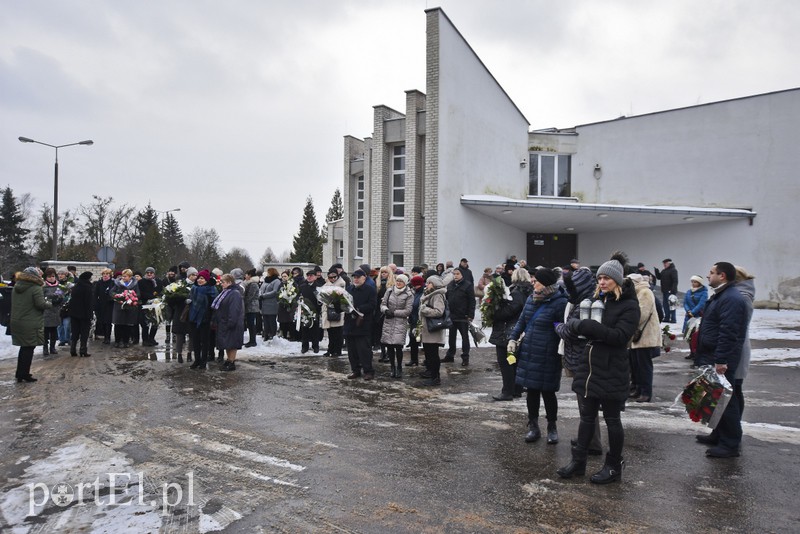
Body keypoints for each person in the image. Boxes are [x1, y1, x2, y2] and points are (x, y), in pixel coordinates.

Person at [557, 252, 640, 484]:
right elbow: (583, 326)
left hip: (612, 368)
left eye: (607, 278)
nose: (602, 282)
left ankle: (613, 466)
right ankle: (579, 461)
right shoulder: (599, 300)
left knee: (612, 420)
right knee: (586, 417)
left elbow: (620, 337)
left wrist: (589, 327)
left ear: (618, 280)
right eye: (600, 278)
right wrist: (577, 326)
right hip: (590, 366)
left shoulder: (630, 305)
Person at [694, 262, 749, 458]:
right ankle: (718, 434)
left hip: (720, 357)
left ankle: (730, 444)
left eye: (712, 272)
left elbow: (728, 332)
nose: (708, 276)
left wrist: (721, 359)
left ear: (722, 276)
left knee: (727, 401)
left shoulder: (731, 298)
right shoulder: (722, 295)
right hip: (712, 354)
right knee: (715, 399)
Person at [507, 267, 567, 444]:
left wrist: (556, 329)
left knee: (548, 393)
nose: (533, 283)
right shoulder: (531, 299)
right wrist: (512, 338)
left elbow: (562, 327)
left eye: (537, 281)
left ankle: (552, 427)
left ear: (546, 284)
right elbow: (522, 322)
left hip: (549, 354)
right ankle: (533, 426)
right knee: (532, 392)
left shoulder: (560, 302)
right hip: (529, 352)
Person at [556, 266, 603, 455]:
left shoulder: (587, 304)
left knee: (586, 404)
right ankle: (587, 437)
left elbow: (572, 331)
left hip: (583, 359)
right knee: (585, 404)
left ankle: (592, 442)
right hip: (580, 358)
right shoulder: (582, 301)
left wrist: (558, 326)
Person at [489, 267, 533, 401]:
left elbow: (508, 311)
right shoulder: (529, 291)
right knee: (515, 361)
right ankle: (516, 389)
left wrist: (493, 312)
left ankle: (507, 391)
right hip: (518, 331)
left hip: (507, 331)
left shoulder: (516, 292)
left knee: (505, 362)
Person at [11, 267, 53, 382]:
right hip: (30, 321)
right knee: (29, 348)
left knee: (24, 347)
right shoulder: (35, 288)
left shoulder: (17, 286)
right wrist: (50, 303)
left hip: (17, 320)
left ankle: (20, 373)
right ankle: (24, 374)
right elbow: (40, 304)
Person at [627, 273, 662, 403]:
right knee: (636, 365)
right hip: (639, 336)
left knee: (644, 366)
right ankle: (638, 389)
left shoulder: (645, 292)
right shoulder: (637, 293)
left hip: (646, 336)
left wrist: (628, 321)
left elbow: (641, 314)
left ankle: (646, 392)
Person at [344, 269, 377, 380]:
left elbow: (372, 305)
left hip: (363, 323)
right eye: (354, 277)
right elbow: (344, 303)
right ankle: (355, 370)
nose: (356, 279)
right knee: (352, 350)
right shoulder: (349, 289)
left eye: (358, 277)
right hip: (350, 323)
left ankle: (368, 371)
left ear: (364, 278)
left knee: (364, 350)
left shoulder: (370, 289)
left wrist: (358, 308)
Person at [380, 273, 414, 378]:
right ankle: (392, 367)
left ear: (405, 283)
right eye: (397, 281)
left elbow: (408, 311)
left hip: (400, 323)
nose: (398, 283)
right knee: (389, 346)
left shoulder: (409, 294)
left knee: (398, 347)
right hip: (388, 321)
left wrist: (394, 313)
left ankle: (399, 367)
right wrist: (385, 310)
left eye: (401, 281)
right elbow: (383, 304)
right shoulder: (389, 291)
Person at [418, 275, 447, 386]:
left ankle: (435, 377)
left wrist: (424, 310)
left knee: (433, 354)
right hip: (427, 329)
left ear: (435, 284)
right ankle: (431, 373)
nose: (427, 284)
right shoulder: (429, 294)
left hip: (433, 329)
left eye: (429, 283)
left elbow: (439, 311)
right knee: (429, 353)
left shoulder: (437, 295)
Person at [443, 267, 475, 366]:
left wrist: (470, 314)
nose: (455, 276)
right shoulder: (450, 285)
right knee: (451, 337)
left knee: (464, 337)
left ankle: (465, 357)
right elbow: (447, 298)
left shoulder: (467, 285)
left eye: (457, 274)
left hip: (463, 316)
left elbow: (472, 301)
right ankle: (450, 355)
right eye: (454, 274)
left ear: (462, 275)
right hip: (452, 315)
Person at [212, 273, 245, 371]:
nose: (221, 284)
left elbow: (234, 309)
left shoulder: (234, 293)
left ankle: (231, 361)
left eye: (223, 282)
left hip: (231, 322)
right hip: (224, 321)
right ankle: (229, 360)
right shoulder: (226, 292)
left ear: (229, 282)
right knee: (227, 343)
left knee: (232, 343)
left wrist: (231, 322)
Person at [187, 270, 218, 370]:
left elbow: (215, 305)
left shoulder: (212, 290)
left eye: (202, 278)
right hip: (194, 318)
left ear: (207, 280)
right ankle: (197, 360)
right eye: (199, 278)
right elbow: (190, 300)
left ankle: (203, 361)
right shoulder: (194, 288)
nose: (199, 280)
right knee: (195, 340)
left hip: (205, 318)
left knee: (205, 341)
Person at [109, 269, 141, 348]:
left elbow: (138, 294)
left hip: (129, 307)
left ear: (130, 277)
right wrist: (118, 296)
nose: (123, 278)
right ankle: (117, 341)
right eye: (123, 276)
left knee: (127, 325)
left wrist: (132, 296)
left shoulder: (134, 284)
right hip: (119, 306)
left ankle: (126, 341)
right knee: (118, 325)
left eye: (125, 276)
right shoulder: (118, 284)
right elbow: (112, 292)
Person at [683, 275, 708, 363]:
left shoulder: (704, 292)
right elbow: (685, 303)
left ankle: (697, 352)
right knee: (689, 334)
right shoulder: (688, 292)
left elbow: (701, 304)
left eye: (695, 282)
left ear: (699, 283)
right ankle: (692, 352)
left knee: (696, 335)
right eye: (692, 281)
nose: (693, 283)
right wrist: (688, 311)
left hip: (698, 316)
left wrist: (693, 312)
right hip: (689, 316)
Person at [68, 271, 94, 357]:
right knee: (84, 332)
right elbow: (88, 302)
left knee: (74, 332)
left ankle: (73, 349)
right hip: (84, 314)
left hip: (74, 313)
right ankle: (83, 350)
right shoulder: (88, 287)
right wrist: (90, 314)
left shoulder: (76, 287)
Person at [321, 269, 346, 357]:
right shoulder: (326, 284)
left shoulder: (341, 284)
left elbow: (342, 296)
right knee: (330, 332)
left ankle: (337, 350)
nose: (332, 279)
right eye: (330, 277)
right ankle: (330, 349)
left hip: (337, 310)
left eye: (334, 277)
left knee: (338, 332)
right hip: (328, 310)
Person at [138, 267, 162, 346]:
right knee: (145, 324)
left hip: (155, 305)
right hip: (144, 304)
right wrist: (150, 297)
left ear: (154, 274)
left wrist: (157, 298)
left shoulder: (158, 281)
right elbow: (140, 293)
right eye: (147, 273)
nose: (149, 274)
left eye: (151, 273)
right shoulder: (141, 282)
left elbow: (160, 291)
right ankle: (145, 339)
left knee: (155, 323)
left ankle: (152, 338)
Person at [298, 270, 322, 354]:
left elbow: (321, 299)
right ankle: (305, 346)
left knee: (315, 329)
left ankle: (315, 346)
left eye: (311, 275)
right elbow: (298, 297)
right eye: (308, 275)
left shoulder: (318, 287)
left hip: (315, 310)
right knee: (304, 329)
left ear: (315, 277)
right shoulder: (302, 286)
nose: (309, 277)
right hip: (304, 311)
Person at [41, 268, 62, 355]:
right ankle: (45, 347)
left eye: (53, 276)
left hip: (56, 312)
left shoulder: (59, 286)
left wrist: (60, 300)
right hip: (46, 312)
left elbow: (61, 296)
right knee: (46, 331)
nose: (51, 278)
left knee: (54, 331)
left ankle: (52, 347)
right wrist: (51, 301)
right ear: (46, 277)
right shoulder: (43, 287)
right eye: (49, 276)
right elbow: (41, 299)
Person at [407, 275, 425, 367]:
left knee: (419, 340)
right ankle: (414, 359)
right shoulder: (415, 292)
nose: (415, 286)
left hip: (419, 322)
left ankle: (424, 360)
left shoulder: (423, 293)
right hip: (414, 320)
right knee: (413, 340)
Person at [259, 267, 281, 342]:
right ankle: (266, 334)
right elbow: (261, 289)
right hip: (264, 304)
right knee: (265, 320)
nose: (267, 274)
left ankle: (272, 334)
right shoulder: (266, 280)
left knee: (271, 320)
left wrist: (264, 295)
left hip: (272, 303)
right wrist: (260, 294)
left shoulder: (276, 281)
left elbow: (275, 292)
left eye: (268, 272)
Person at [93, 268, 115, 344]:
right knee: (101, 321)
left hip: (109, 304)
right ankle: (102, 334)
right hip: (100, 304)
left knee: (108, 322)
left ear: (110, 275)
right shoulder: (99, 283)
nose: (105, 276)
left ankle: (107, 337)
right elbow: (95, 294)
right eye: (104, 274)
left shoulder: (112, 283)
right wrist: (95, 303)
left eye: (107, 274)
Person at [654, 259, 679, 323]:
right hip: (664, 291)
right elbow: (659, 277)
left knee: (672, 305)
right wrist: (656, 272)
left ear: (669, 263)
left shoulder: (673, 270)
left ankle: (673, 319)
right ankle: (667, 317)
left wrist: (673, 290)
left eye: (665, 263)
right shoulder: (664, 271)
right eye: (664, 264)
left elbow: (675, 281)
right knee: (665, 305)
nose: (664, 265)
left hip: (671, 291)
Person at [243, 268, 261, 347]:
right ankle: (251, 340)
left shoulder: (253, 284)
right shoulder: (250, 283)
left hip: (252, 307)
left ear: (250, 275)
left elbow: (250, 296)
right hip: (250, 306)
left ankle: (253, 341)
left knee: (251, 324)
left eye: (246, 274)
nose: (245, 276)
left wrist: (244, 302)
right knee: (250, 324)